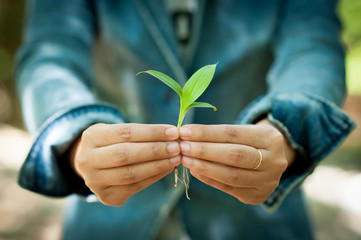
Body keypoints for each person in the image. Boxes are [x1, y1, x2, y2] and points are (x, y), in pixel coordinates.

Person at [15, 0, 355, 239]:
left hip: (255, 221)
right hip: (111, 222)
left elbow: (314, 47)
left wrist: (286, 128)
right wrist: (76, 137)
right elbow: (49, 54)